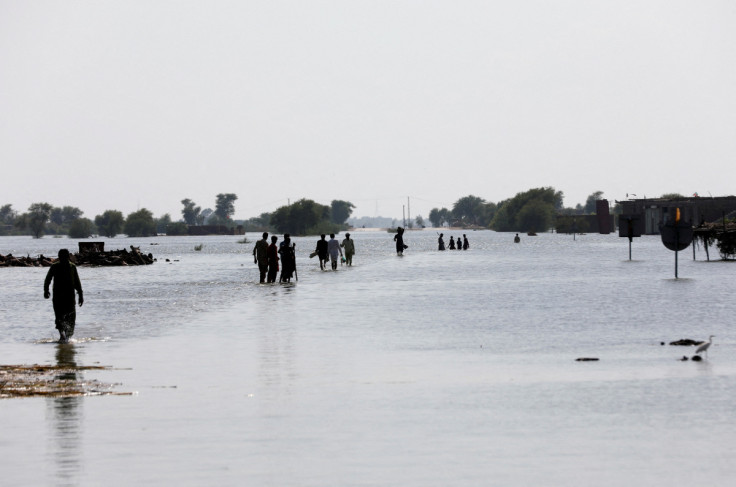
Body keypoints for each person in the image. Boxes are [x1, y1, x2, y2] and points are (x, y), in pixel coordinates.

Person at [44, 249, 83, 343]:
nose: (63, 258)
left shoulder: (72, 267)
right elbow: (48, 279)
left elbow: (77, 282)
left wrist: (81, 294)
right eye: (61, 257)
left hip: (70, 297)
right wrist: (46, 290)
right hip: (58, 297)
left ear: (68, 257)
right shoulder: (54, 266)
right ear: (59, 257)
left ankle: (67, 336)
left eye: (65, 257)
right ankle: (62, 335)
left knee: (71, 318)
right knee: (59, 317)